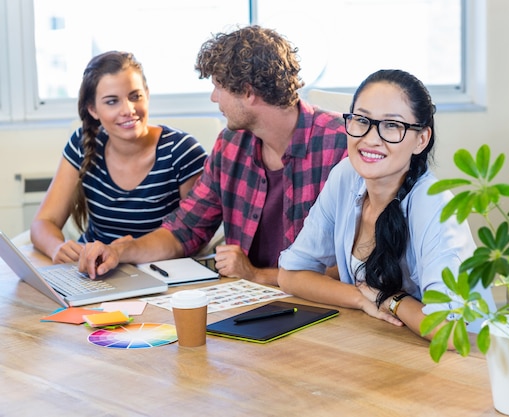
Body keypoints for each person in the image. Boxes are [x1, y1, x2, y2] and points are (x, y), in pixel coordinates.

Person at [79, 26, 348, 285]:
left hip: (323, 310)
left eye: (219, 86)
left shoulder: (341, 144)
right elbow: (185, 230)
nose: (213, 97)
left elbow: (354, 262)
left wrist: (257, 275)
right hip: (250, 300)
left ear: (247, 92)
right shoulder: (231, 145)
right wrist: (119, 252)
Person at [277, 69, 495, 341]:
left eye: (392, 125)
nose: (370, 138)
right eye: (361, 120)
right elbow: (291, 274)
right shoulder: (347, 176)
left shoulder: (433, 205)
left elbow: (449, 331)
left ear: (421, 139)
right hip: (383, 343)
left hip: (465, 361)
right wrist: (360, 298)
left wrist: (389, 299)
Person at [30, 51, 208, 264]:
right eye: (112, 101)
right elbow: (44, 221)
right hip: (93, 270)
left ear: (147, 95)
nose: (128, 110)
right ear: (93, 110)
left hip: (158, 272)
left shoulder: (182, 151)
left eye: (135, 96)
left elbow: (194, 234)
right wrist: (56, 248)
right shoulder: (83, 144)